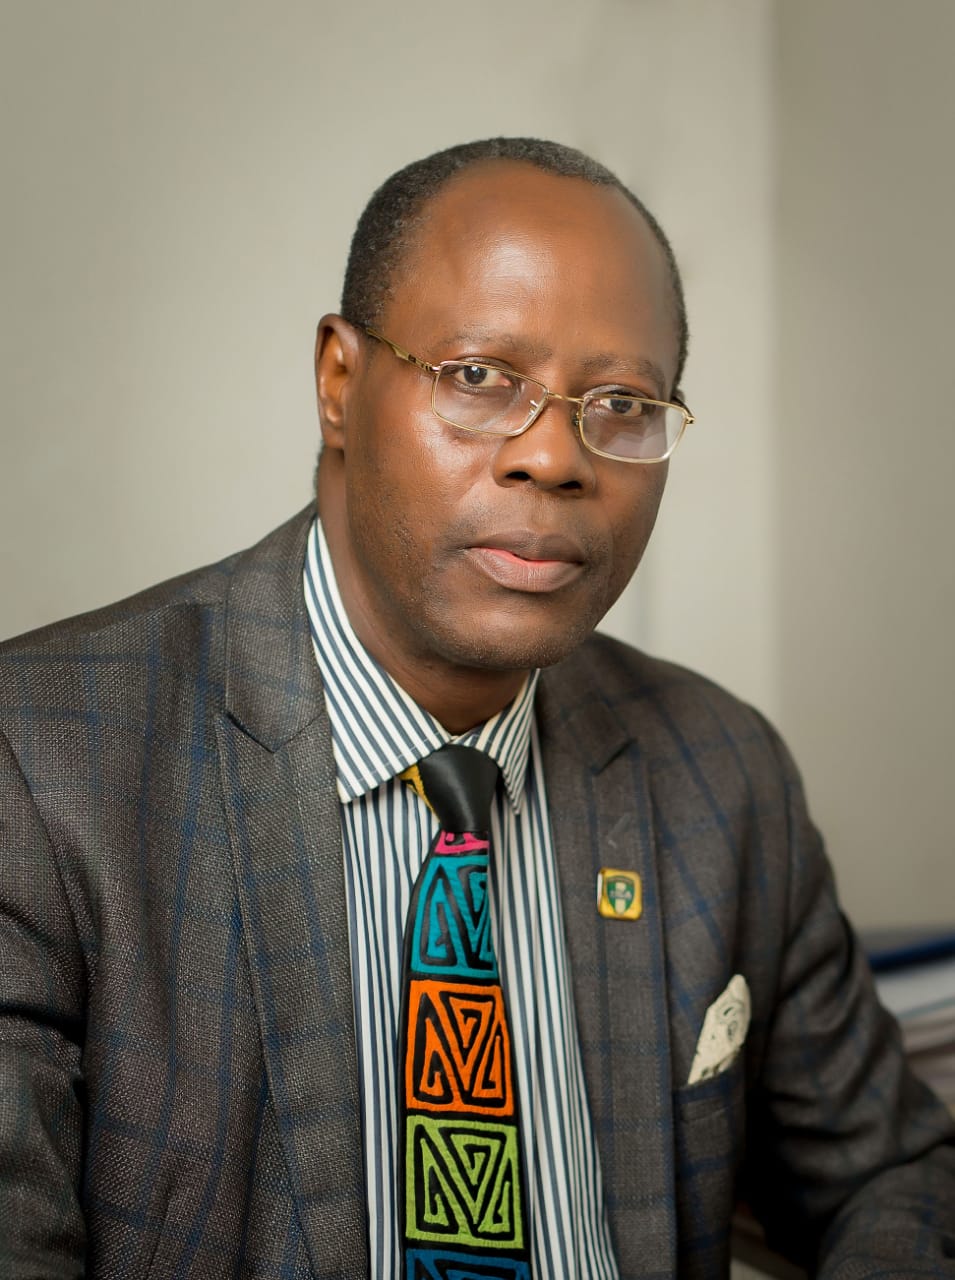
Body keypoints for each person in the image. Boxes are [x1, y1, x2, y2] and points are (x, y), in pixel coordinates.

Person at [0, 137, 952, 1280]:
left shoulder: (719, 768)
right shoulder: (41, 765)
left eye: (621, 402)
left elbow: (892, 1174)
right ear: (339, 381)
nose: (552, 456)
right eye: (479, 376)